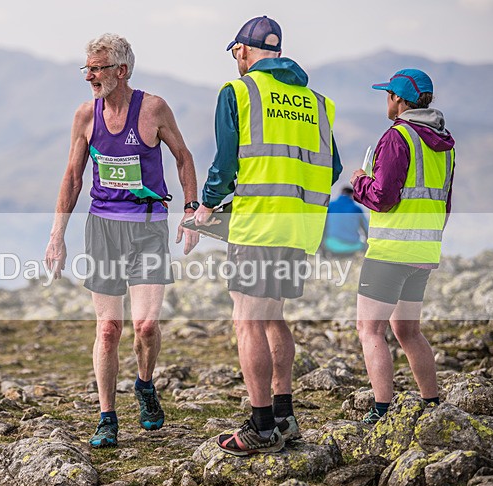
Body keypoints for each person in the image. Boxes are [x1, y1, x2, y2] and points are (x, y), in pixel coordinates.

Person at [193, 16, 342, 455]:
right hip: (300, 227)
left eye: (235, 53)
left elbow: (226, 162)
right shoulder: (318, 102)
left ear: (242, 51)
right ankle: (284, 416)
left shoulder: (238, 92)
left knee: (247, 320)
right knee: (273, 316)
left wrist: (205, 205)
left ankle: (260, 425)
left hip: (258, 224)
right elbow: (331, 169)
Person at [44, 34, 199, 448]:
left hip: (147, 227)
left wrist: (190, 208)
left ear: (121, 71)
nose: (90, 76)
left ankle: (145, 384)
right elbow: (73, 177)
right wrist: (57, 235)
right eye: (88, 68)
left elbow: (183, 157)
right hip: (102, 229)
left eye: (97, 68)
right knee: (109, 327)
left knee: (146, 326)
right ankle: (107, 415)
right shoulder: (85, 116)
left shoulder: (153, 109)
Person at [350, 69, 455, 423]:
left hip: (390, 251)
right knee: (408, 330)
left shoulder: (399, 137)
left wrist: (360, 182)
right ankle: (432, 402)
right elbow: (445, 203)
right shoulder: (445, 145)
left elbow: (382, 197)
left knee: (370, 330)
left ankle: (381, 409)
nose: (387, 101)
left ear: (397, 99)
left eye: (388, 95)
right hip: (424, 251)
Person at [322, 186, 368, 256]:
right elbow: (367, 230)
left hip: (331, 246)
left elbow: (323, 226)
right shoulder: (357, 209)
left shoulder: (331, 206)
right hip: (352, 247)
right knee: (362, 244)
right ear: (352, 196)